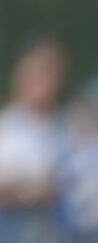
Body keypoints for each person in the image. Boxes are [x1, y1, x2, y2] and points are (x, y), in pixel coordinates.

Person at [0, 39, 67, 210]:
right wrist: (30, 191)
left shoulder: (57, 123)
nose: (49, 87)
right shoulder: (10, 126)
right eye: (43, 77)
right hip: (15, 220)